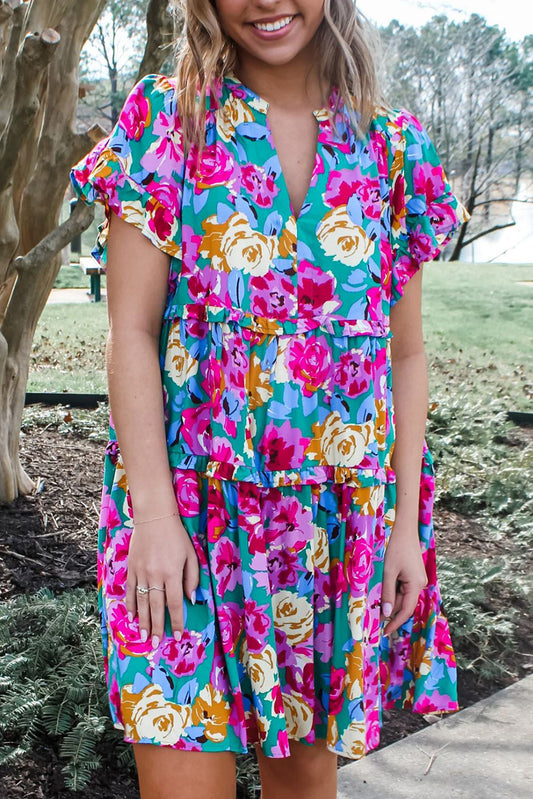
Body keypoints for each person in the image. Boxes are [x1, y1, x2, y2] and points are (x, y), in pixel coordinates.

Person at [69, 1, 469, 797]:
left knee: (303, 782)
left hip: (329, 527)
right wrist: (153, 517)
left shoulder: (392, 149)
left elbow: (407, 353)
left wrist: (401, 531)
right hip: (184, 517)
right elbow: (132, 334)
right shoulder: (167, 122)